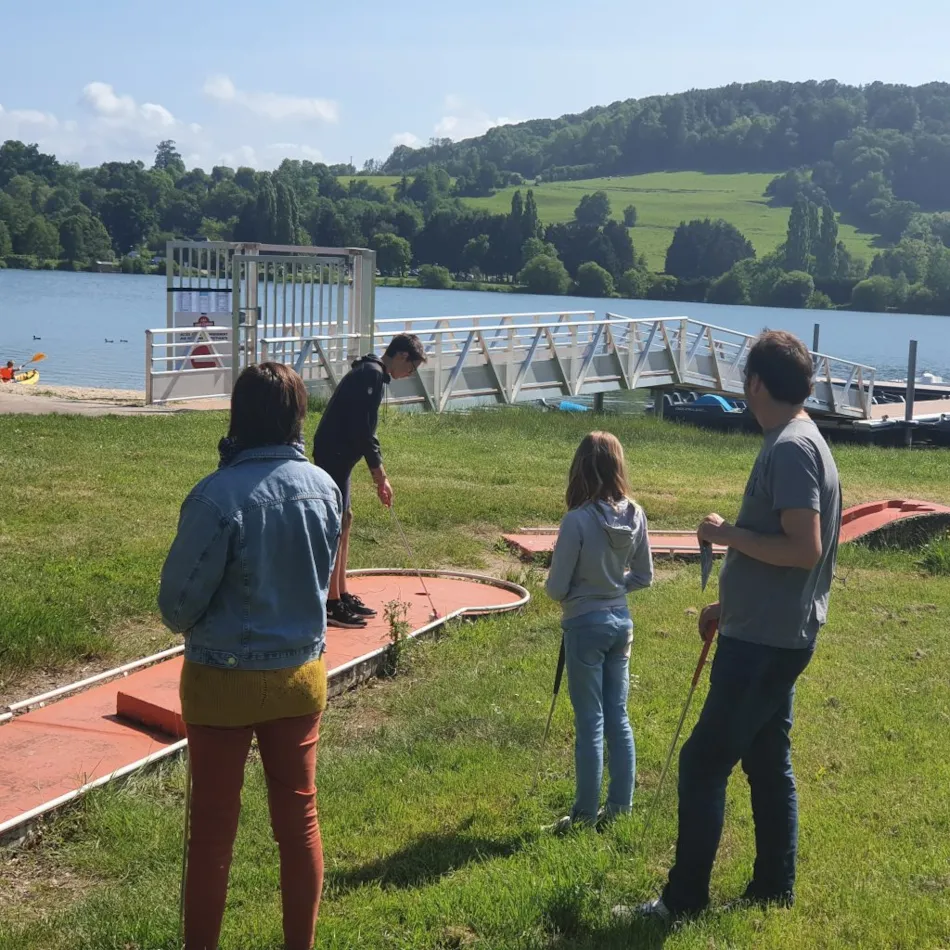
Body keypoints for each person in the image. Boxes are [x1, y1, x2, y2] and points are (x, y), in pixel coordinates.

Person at [635, 330, 842, 924]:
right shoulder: (799, 439)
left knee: (703, 763)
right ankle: (774, 887)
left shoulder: (791, 448)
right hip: (767, 628)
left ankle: (683, 901)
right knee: (767, 758)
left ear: (754, 383)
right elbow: (781, 551)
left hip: (764, 644)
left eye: (743, 379)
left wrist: (723, 536)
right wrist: (731, 605)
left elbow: (804, 548)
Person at [158, 362, 342, 950]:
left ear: (238, 417)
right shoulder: (326, 487)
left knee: (212, 834)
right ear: (297, 417)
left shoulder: (216, 496)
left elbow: (177, 605)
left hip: (221, 679)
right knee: (299, 823)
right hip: (299, 675)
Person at [544, 431, 654, 832]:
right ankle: (620, 809)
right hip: (621, 624)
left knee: (590, 722)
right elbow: (643, 576)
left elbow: (556, 588)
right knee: (618, 717)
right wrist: (613, 586)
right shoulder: (636, 514)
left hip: (584, 625)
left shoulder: (576, 521)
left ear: (581, 468)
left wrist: (582, 591)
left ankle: (585, 815)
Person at [312, 333, 427, 629]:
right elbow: (364, 433)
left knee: (345, 519)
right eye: (411, 368)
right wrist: (380, 477)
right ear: (401, 356)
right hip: (333, 453)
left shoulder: (371, 373)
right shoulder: (371, 375)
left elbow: (363, 431)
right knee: (338, 524)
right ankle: (330, 603)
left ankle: (342, 592)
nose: (409, 375)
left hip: (340, 455)